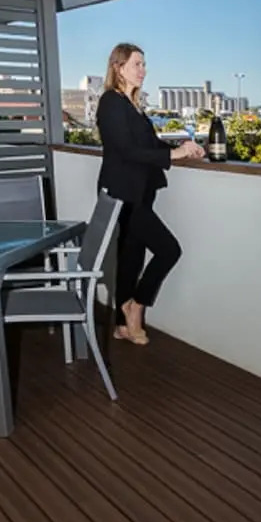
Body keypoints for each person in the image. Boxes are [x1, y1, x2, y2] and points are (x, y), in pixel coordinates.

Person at [95, 43, 204, 345]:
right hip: (123, 195)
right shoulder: (111, 102)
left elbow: (150, 145)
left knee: (131, 256)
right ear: (119, 67)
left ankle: (122, 325)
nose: (143, 70)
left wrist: (184, 148)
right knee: (169, 250)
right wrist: (173, 155)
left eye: (144, 64)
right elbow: (125, 150)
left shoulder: (132, 105)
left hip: (139, 192)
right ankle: (136, 307)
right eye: (137, 64)